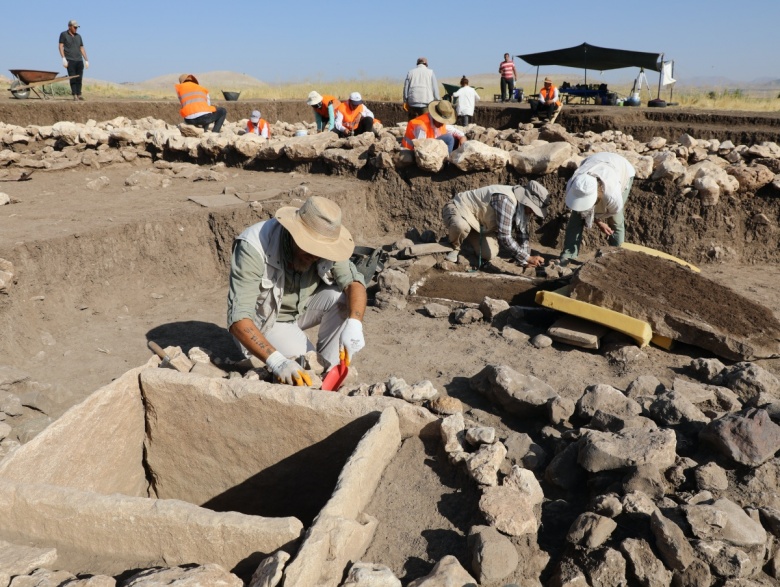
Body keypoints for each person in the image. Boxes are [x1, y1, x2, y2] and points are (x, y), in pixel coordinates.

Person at [227, 196, 367, 386]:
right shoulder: (254, 246)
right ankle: (316, 375)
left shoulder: (326, 246)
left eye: (321, 251)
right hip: (265, 322)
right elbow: (238, 320)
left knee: (341, 299)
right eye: (310, 248)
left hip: (299, 312)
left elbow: (354, 284)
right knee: (305, 368)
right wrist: (278, 362)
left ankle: (330, 374)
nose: (316, 256)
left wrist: (355, 322)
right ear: (293, 232)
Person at [442, 181, 550, 266]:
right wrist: (528, 258)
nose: (533, 213)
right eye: (534, 209)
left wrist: (525, 261)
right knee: (461, 226)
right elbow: (504, 237)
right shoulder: (506, 201)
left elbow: (522, 234)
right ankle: (454, 246)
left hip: (479, 224)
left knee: (489, 254)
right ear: (527, 201)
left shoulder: (523, 208)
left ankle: (465, 241)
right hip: (460, 209)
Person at [559, 152, 636, 265]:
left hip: (622, 168)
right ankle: (568, 255)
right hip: (595, 162)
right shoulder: (574, 185)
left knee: (616, 221)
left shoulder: (612, 194)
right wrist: (599, 222)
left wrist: (598, 220)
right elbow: (581, 211)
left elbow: (613, 211)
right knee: (576, 217)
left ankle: (615, 258)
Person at [58, 20, 89, 101]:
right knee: (72, 78)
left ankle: (79, 94)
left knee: (79, 78)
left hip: (79, 60)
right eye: (74, 27)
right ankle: (74, 94)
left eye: (77, 27)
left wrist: (86, 60)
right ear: (69, 26)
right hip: (70, 60)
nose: (76, 29)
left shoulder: (78, 36)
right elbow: (61, 46)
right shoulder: (63, 34)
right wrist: (63, 58)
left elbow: (81, 48)